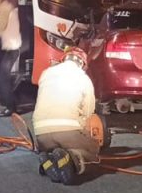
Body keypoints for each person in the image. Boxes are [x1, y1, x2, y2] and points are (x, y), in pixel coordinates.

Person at [31, 47, 99, 185]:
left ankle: (48, 157)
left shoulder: (46, 73)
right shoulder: (83, 78)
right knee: (93, 151)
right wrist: (84, 134)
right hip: (67, 130)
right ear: (82, 64)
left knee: (54, 146)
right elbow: (88, 112)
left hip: (41, 133)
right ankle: (73, 156)